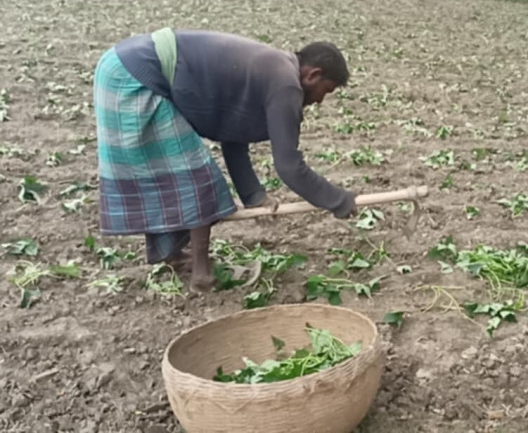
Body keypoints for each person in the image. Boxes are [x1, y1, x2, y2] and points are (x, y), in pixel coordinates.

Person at [93, 28, 356, 291]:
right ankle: (201, 276)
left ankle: (173, 256)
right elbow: (289, 166)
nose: (321, 100)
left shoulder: (275, 68)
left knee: (175, 175)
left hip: (122, 66)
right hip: (133, 77)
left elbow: (233, 133)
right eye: (326, 91)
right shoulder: (286, 84)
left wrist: (253, 196)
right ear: (313, 75)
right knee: (197, 180)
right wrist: (338, 200)